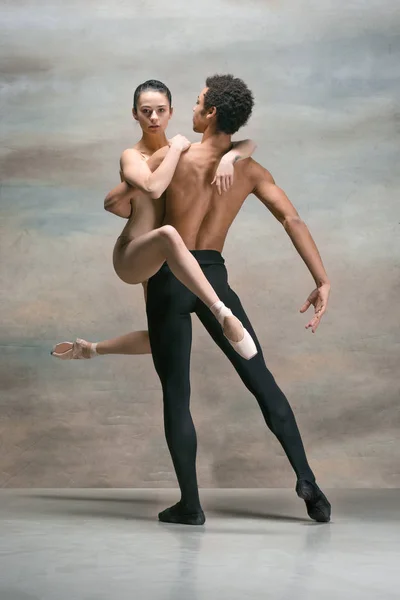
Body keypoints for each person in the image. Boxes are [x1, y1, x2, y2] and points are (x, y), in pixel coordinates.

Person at [117, 74, 331, 525]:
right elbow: (291, 218)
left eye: (197, 103)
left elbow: (124, 198)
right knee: (262, 380)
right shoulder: (249, 170)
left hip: (171, 277)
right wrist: (321, 278)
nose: (192, 110)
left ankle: (191, 506)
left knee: (177, 394)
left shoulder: (170, 156)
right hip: (213, 274)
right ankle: (308, 481)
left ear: (211, 112)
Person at [52, 80, 258, 361]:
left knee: (161, 339)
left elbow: (248, 143)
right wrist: (173, 150)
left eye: (160, 110)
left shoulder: (185, 151)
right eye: (146, 111)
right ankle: (223, 313)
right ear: (134, 114)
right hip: (134, 252)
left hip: (164, 260)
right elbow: (153, 187)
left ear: (171, 112)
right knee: (168, 233)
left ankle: (89, 349)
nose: (153, 118)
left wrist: (230, 157)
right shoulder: (133, 156)